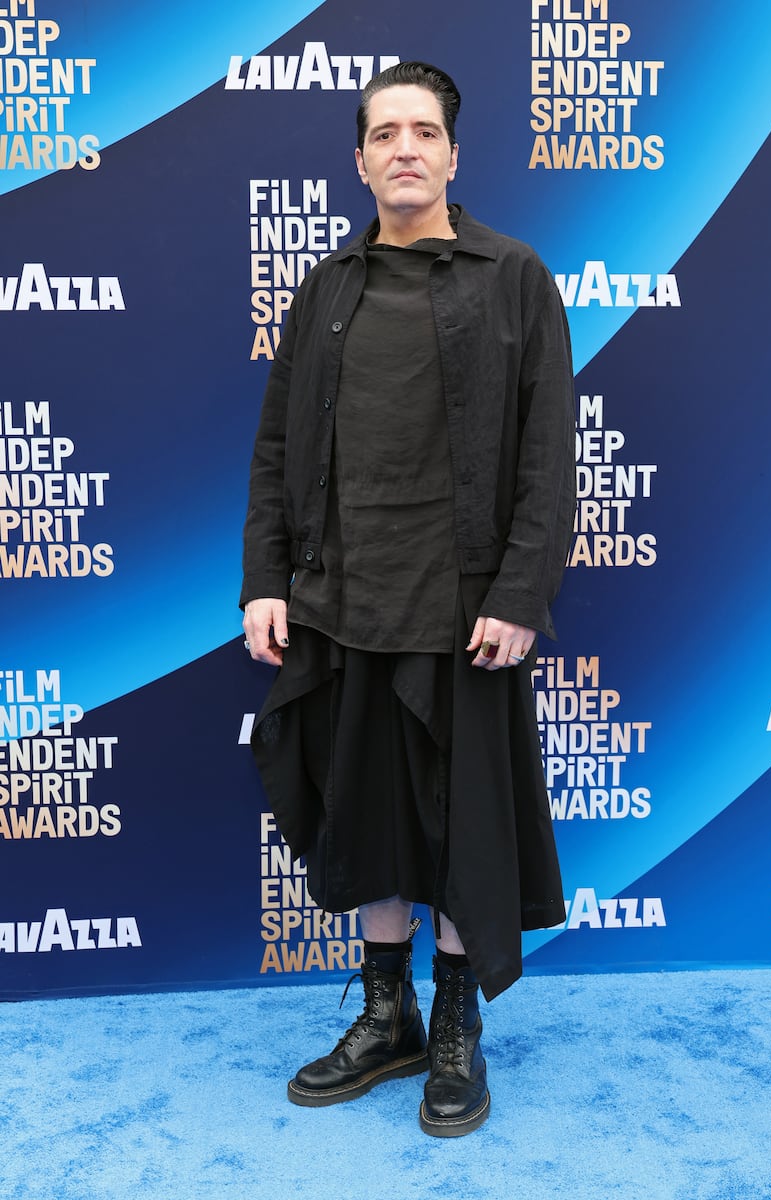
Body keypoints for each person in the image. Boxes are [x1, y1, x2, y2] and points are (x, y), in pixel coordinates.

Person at [241, 61, 575, 1137]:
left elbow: (548, 456)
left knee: (463, 828)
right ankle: (387, 1018)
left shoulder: (513, 276)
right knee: (371, 820)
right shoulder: (325, 290)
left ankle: (455, 1029)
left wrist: (518, 591)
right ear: (359, 160)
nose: (404, 149)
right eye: (384, 133)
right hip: (343, 602)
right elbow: (276, 445)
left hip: (464, 609)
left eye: (423, 131)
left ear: (452, 154)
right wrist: (266, 579)